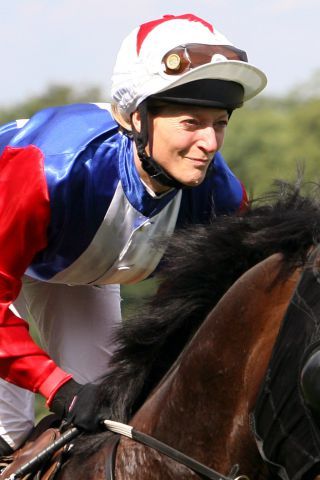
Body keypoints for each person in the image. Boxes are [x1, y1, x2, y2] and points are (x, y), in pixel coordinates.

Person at [0, 12, 267, 455]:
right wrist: (56, 388)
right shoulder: (47, 172)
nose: (210, 144)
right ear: (136, 119)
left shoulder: (219, 195)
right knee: (8, 431)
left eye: (219, 123)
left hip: (72, 268)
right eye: (191, 122)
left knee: (106, 422)